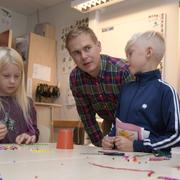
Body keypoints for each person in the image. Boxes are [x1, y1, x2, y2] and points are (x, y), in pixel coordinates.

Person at [102, 30, 180, 153]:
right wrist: (109, 139)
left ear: (148, 52)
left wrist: (137, 146)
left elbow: (176, 136)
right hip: (120, 162)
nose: (126, 60)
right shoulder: (126, 89)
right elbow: (117, 124)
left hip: (153, 165)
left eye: (130, 53)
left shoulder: (166, 91)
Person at [65, 26, 132, 146]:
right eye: (76, 52)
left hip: (133, 125)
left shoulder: (124, 70)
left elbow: (134, 113)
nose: (84, 56)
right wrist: (101, 144)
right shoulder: (75, 78)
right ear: (71, 56)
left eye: (87, 48)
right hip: (108, 123)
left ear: (99, 46)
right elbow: (87, 117)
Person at [0, 47, 39, 144]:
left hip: (22, 157)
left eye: (17, 76)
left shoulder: (27, 103)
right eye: (6, 76)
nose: (12, 81)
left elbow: (34, 131)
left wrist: (29, 136)